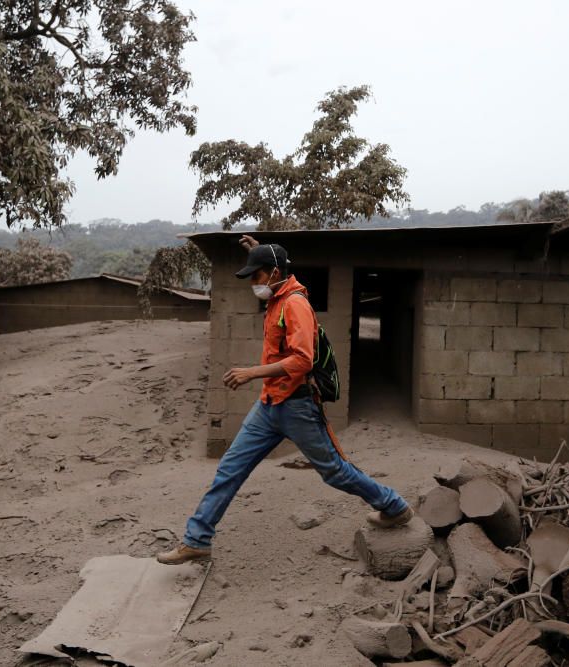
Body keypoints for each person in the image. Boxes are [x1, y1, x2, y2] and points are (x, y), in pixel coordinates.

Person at [157, 236, 413, 565]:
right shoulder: (277, 292)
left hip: (297, 405)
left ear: (275, 273)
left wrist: (253, 372)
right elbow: (274, 268)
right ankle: (197, 539)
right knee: (230, 469)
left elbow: (303, 360)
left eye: (257, 276)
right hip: (268, 406)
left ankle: (393, 506)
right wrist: (258, 253)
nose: (253, 283)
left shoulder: (294, 305)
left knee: (334, 471)